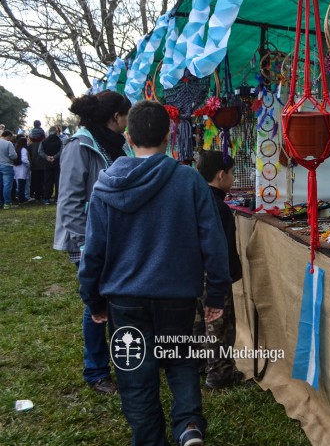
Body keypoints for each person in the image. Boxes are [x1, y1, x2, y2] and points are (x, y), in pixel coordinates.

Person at [78, 101, 230, 446]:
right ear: (169, 135)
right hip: (177, 297)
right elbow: (213, 241)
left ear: (128, 136)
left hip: (124, 300)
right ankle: (189, 426)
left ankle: (149, 438)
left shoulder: (106, 185)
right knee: (180, 363)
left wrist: (94, 300)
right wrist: (216, 293)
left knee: (135, 374)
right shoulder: (189, 180)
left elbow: (94, 251)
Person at [54, 91, 132, 395]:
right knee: (96, 305)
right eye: (126, 117)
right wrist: (86, 245)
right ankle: (97, 371)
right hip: (88, 240)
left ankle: (127, 360)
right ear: (116, 117)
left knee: (118, 301)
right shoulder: (80, 145)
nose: (127, 124)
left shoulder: (117, 144)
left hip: (116, 236)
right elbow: (70, 201)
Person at [195, 150, 243, 389]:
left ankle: (198, 364)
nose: (233, 179)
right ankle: (220, 373)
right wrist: (232, 273)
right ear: (220, 175)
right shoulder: (219, 208)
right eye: (233, 174)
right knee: (218, 324)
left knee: (197, 321)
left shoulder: (193, 198)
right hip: (213, 275)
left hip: (190, 272)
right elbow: (224, 248)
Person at [40, 126, 64, 203]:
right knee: (58, 181)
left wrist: (47, 157)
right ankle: (58, 198)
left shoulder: (44, 141)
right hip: (57, 163)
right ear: (56, 132)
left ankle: (47, 198)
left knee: (47, 181)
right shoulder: (60, 141)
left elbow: (40, 151)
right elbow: (61, 150)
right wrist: (55, 157)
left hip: (47, 163)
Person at [0, 129, 18, 209]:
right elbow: (13, 156)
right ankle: (7, 203)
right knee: (7, 185)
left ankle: (1, 201)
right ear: (8, 136)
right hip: (7, 166)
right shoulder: (8, 143)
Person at [12, 136, 30, 204]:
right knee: (22, 185)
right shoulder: (24, 149)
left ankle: (20, 198)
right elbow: (24, 159)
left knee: (19, 184)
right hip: (22, 168)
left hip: (16, 168)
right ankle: (22, 199)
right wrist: (29, 165)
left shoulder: (16, 148)